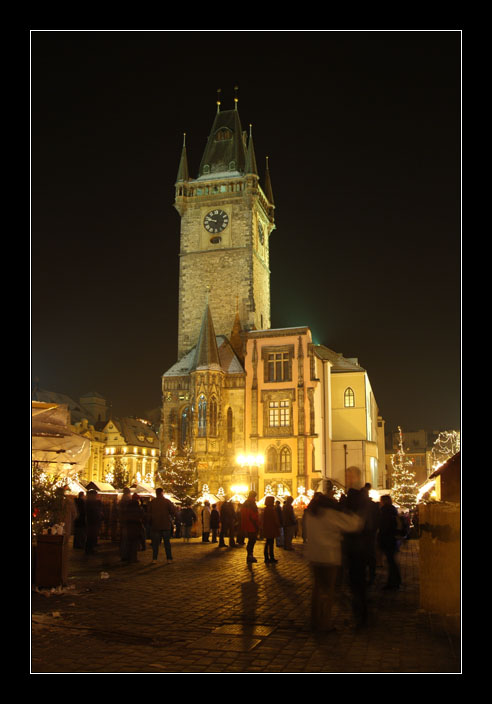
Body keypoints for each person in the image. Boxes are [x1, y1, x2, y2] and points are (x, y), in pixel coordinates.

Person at [304, 490, 363, 632]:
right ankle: (324, 623)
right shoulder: (330, 514)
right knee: (328, 591)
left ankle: (315, 620)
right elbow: (354, 524)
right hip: (329, 556)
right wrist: (350, 512)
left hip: (314, 555)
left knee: (317, 589)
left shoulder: (310, 515)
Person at [343, 489, 369, 628]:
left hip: (353, 550)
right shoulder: (363, 510)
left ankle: (358, 614)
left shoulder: (349, 512)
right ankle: (362, 612)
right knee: (359, 583)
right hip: (361, 550)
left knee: (355, 584)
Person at [378, 494, 402, 590]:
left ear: (384, 501)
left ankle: (393, 582)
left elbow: (384, 526)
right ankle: (396, 580)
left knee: (391, 561)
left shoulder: (385, 511)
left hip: (387, 538)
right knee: (392, 561)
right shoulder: (392, 510)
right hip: (392, 538)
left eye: (381, 501)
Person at [149, 487, 177, 563]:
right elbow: (173, 511)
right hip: (165, 525)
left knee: (155, 544)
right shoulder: (167, 501)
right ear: (162, 493)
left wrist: (150, 522)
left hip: (155, 525)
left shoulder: (152, 502)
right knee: (167, 543)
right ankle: (169, 558)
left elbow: (148, 514)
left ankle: (154, 559)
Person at [359, 483, 380, 585]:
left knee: (367, 554)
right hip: (368, 531)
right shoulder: (372, 505)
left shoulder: (362, 505)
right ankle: (370, 574)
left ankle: (369, 574)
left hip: (366, 531)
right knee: (369, 554)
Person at [241, 492, 259, 563]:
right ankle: (250, 555)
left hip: (246, 524)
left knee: (250, 540)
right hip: (252, 525)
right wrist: (257, 524)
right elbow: (253, 516)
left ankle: (249, 555)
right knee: (252, 540)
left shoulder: (245, 503)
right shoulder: (252, 504)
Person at [126, 493, 144, 563]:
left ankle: (128, 556)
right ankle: (133, 558)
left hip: (129, 525)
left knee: (129, 542)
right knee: (134, 542)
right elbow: (142, 515)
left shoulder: (128, 506)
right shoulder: (138, 507)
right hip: (136, 525)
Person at [262, 495, 281, 563]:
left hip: (267, 527)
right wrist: (278, 524)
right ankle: (271, 557)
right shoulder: (271, 509)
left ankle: (267, 557)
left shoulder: (266, 509)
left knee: (268, 542)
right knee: (270, 543)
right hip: (271, 528)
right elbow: (275, 518)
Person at [85, 490, 103, 555]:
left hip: (93, 521)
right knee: (91, 536)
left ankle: (90, 548)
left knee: (91, 536)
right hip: (92, 521)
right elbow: (94, 511)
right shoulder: (91, 503)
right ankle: (89, 549)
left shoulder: (89, 502)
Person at [118, 487, 133, 561]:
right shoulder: (128, 499)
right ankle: (126, 554)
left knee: (124, 538)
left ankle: (124, 554)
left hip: (123, 521)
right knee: (126, 539)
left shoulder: (122, 500)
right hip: (127, 522)